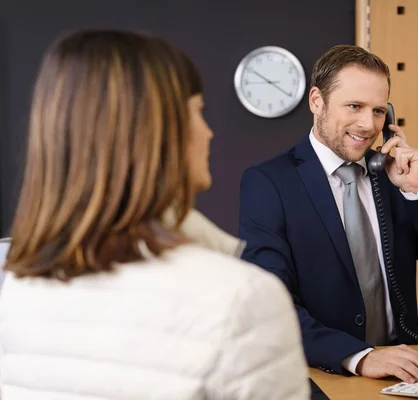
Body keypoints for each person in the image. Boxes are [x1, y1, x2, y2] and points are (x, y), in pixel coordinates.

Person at [0, 29, 309, 399]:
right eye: (198, 112)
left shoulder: (21, 286)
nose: (209, 132)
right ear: (160, 133)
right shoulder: (242, 299)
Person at [238, 44, 418, 383]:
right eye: (355, 106)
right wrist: (360, 357)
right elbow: (270, 306)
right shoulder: (269, 183)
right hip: (326, 377)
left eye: (379, 111)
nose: (368, 125)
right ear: (317, 101)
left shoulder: (396, 179)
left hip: (406, 375)